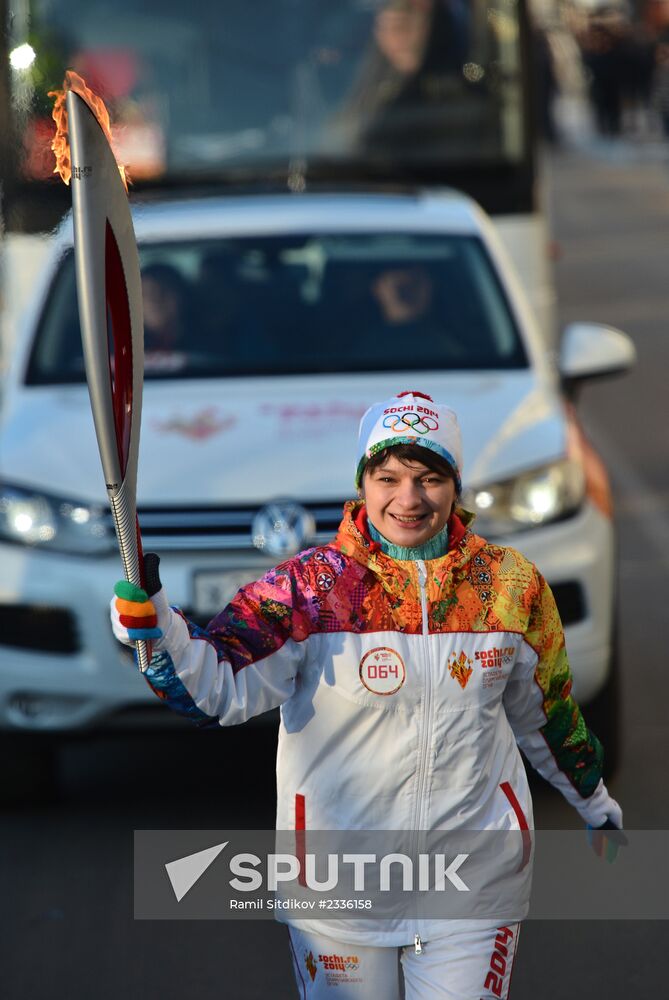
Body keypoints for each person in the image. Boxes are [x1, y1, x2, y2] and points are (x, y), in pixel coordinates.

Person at [111, 390, 622, 998]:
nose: (409, 499)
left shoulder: (509, 588)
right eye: (389, 478)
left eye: (429, 478)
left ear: (455, 486)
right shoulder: (311, 589)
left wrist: (593, 802)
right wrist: (158, 626)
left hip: (472, 884)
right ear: (363, 484)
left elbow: (546, 713)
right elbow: (214, 686)